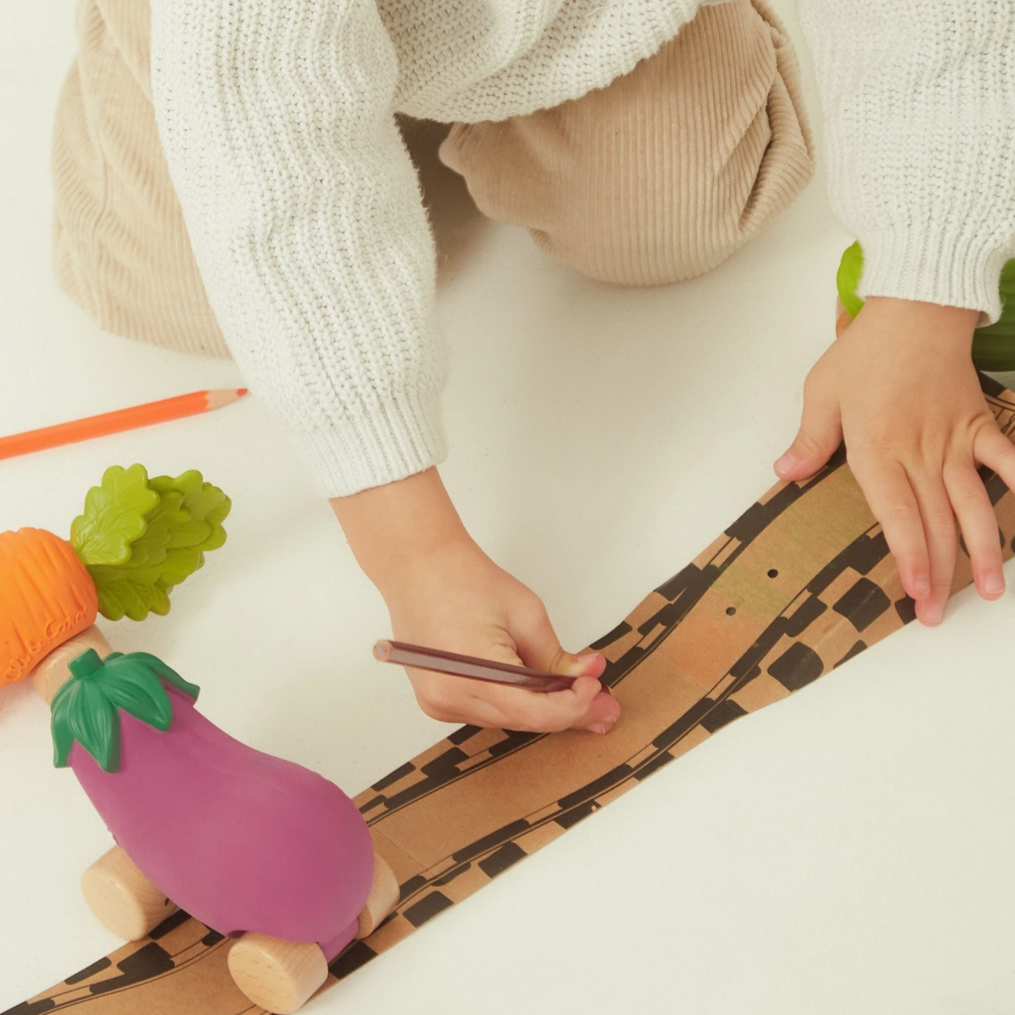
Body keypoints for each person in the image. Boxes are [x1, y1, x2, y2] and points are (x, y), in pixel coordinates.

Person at [51, 0, 1015, 735]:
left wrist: (924, 283)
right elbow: (262, 120)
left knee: (678, 217)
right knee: (172, 291)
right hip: (234, 37)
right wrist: (412, 547)